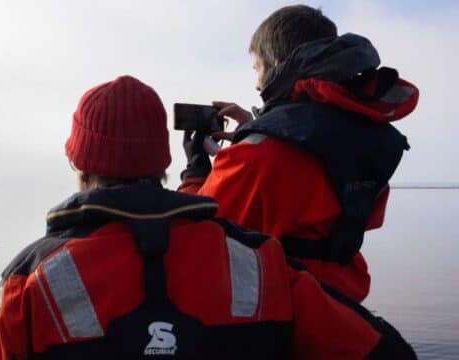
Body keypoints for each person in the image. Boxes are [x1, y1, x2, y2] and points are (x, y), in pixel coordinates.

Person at [0, 75, 415, 359]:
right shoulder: (264, 266)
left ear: (80, 166)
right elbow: (383, 351)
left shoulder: (27, 282)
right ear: (161, 165)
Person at [179, 5, 418, 303]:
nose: (256, 83)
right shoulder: (368, 135)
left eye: (257, 68)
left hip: (280, 306)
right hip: (342, 303)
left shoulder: (258, 153)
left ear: (277, 65)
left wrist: (195, 171)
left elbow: (194, 232)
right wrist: (255, 128)